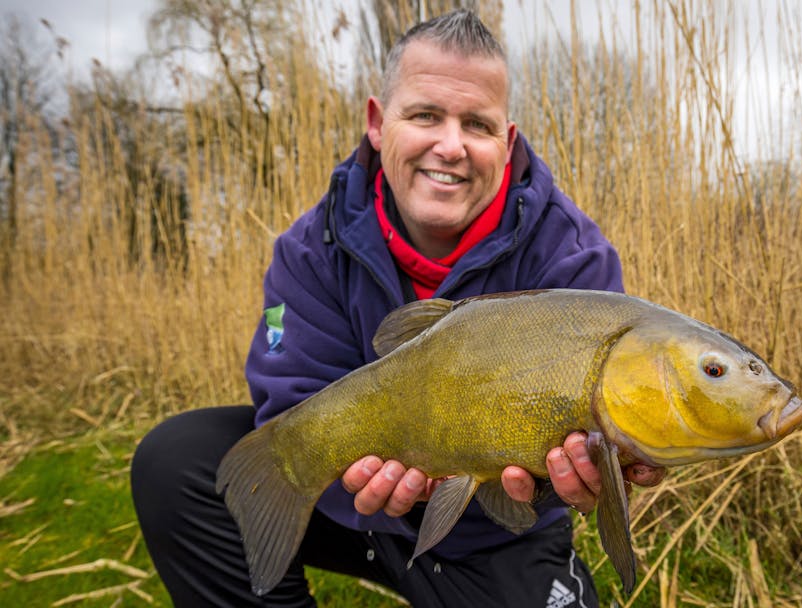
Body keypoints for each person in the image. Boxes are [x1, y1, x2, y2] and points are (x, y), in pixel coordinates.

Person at [131, 9, 663, 607]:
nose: (451, 145)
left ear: (507, 141)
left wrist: (568, 481)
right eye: (425, 115)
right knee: (176, 462)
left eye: (477, 124)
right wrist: (365, 484)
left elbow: (583, 454)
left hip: (490, 535)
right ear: (378, 123)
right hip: (353, 505)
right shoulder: (310, 249)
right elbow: (294, 396)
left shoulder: (575, 264)